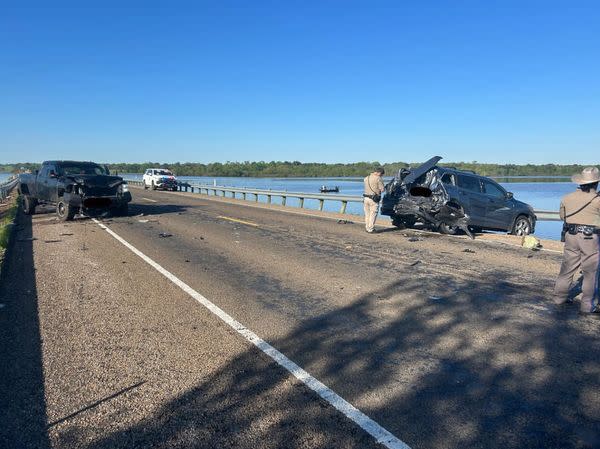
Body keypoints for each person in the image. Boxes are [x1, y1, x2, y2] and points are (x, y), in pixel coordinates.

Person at [553, 166, 600, 318]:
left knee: (567, 269)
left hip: (570, 235)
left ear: (580, 182)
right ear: (596, 183)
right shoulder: (597, 200)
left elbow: (562, 217)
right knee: (590, 273)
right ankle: (587, 306)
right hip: (590, 238)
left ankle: (560, 298)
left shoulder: (567, 198)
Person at [363, 167, 385, 233]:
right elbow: (382, 189)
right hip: (373, 199)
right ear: (379, 173)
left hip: (365, 198)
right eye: (381, 174)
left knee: (367, 214)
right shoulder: (378, 178)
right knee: (373, 214)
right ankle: (371, 229)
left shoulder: (366, 178)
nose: (381, 176)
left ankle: (367, 227)